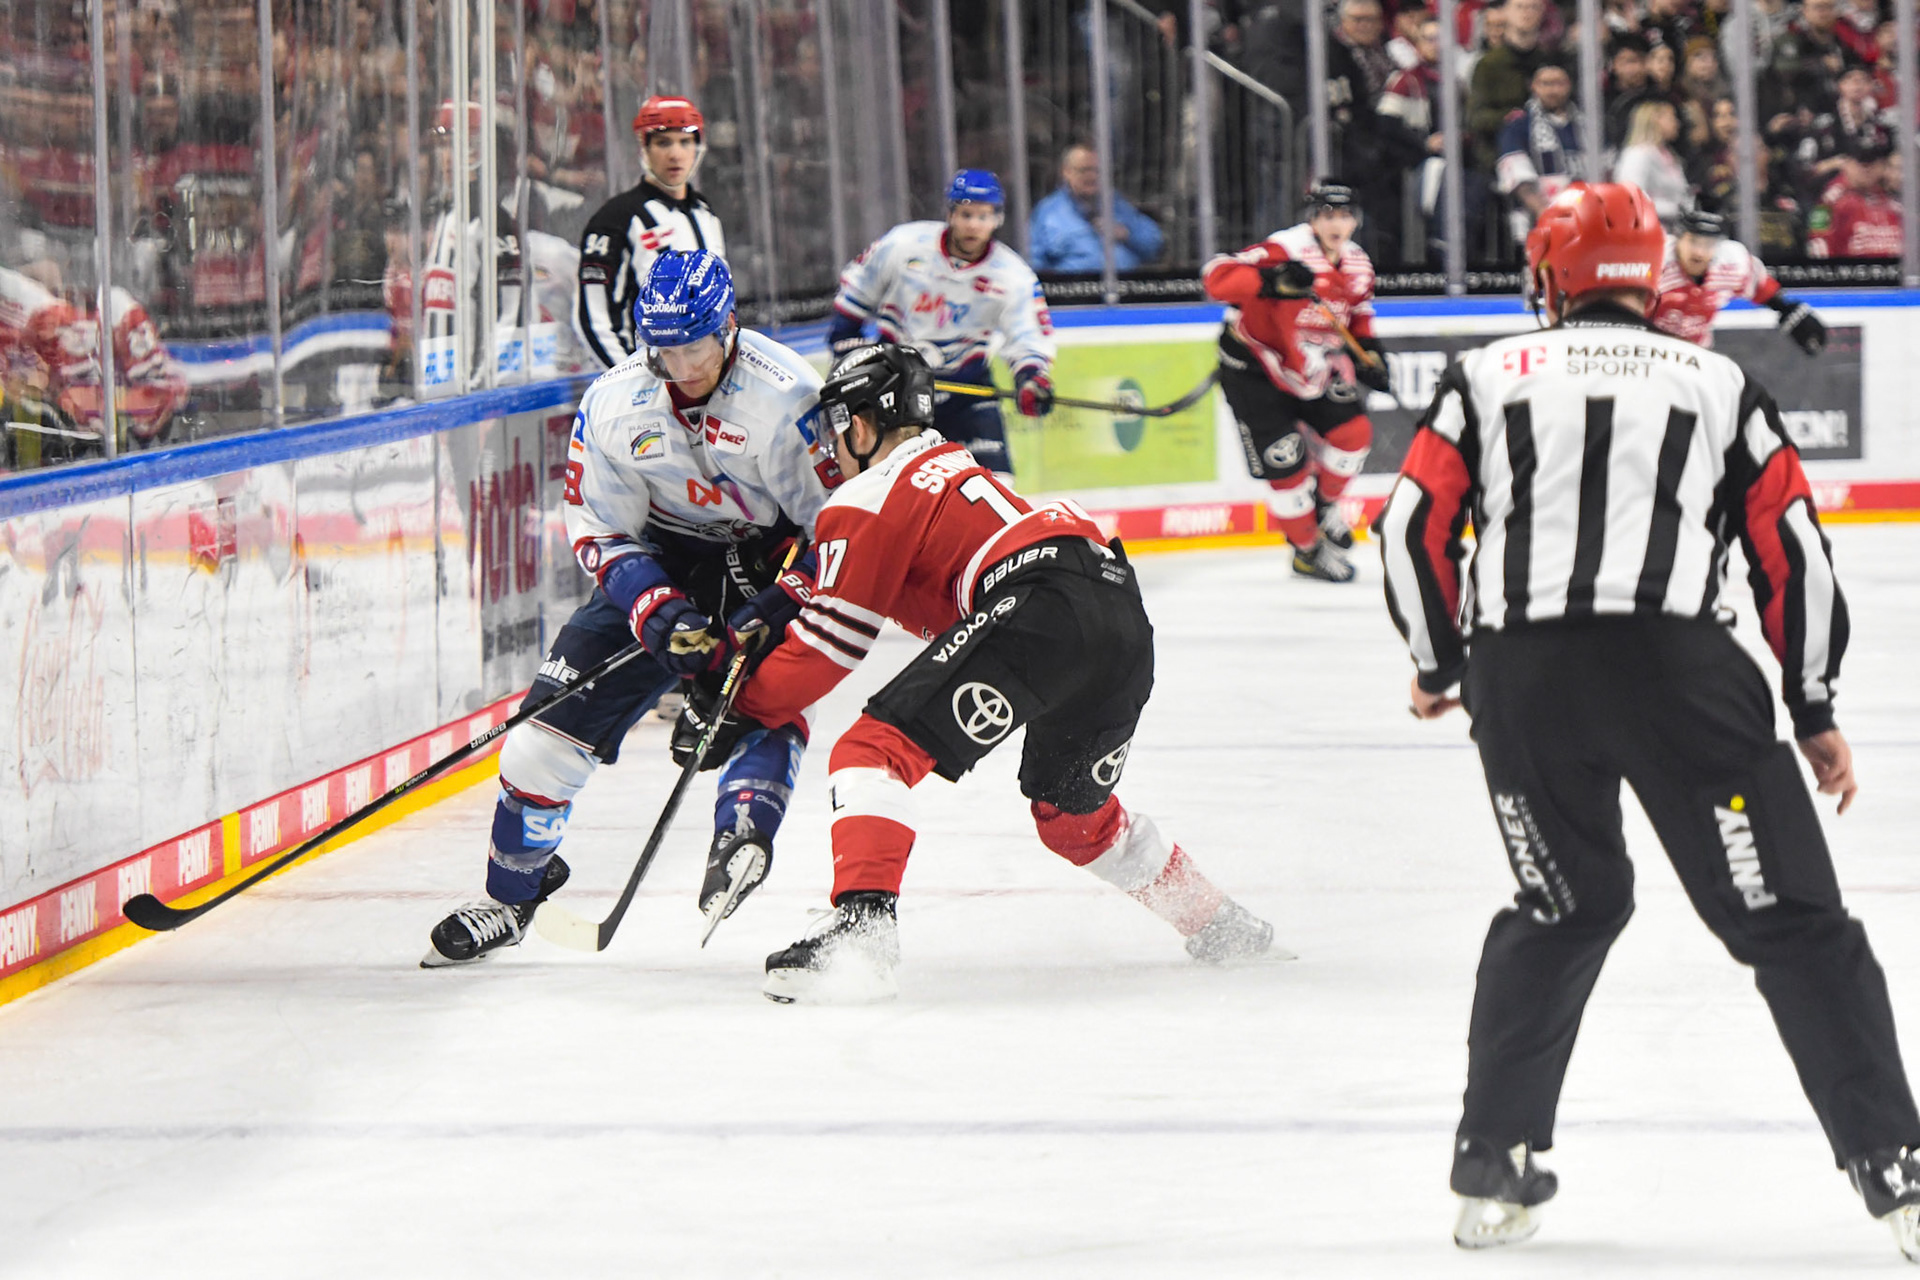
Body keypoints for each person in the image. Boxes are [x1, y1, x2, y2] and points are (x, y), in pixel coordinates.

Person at [1375, 182, 1920, 1261]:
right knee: (1790, 920)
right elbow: (1794, 555)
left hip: (1525, 680)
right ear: (1649, 277)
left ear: (1549, 276)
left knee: (1563, 904)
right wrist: (1812, 702)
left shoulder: (1484, 374)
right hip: (1681, 678)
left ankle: (1493, 1163)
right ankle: (1897, 1168)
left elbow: (1409, 527)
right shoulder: (1717, 381)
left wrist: (1441, 661)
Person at [697, 343, 1276, 1003]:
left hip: (1042, 604)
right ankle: (1220, 924)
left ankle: (862, 937)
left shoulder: (869, 494)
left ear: (860, 425)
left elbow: (829, 645)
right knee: (1072, 817)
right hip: (1118, 607)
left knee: (871, 753)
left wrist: (737, 710)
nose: (831, 446)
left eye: (837, 427)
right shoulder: (949, 465)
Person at [423, 250, 835, 967]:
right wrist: (655, 607)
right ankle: (510, 898)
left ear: (728, 328)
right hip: (661, 561)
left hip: (764, 567)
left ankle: (743, 831)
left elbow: (835, 527)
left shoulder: (789, 397)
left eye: (696, 347)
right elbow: (598, 527)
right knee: (537, 741)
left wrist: (774, 605)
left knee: (757, 701)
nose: (681, 366)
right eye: (665, 350)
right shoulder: (615, 402)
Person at [1201, 181, 1388, 583]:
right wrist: (1270, 281)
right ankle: (1306, 551)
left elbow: (1357, 314)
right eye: (1326, 215)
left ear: (1356, 221)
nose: (1335, 224)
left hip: (1309, 368)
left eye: (1344, 215)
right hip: (1253, 371)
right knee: (1287, 467)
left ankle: (1323, 507)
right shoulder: (1285, 249)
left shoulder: (1357, 263)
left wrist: (1370, 353)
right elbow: (1215, 278)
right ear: (1312, 219)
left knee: (1354, 434)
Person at [827, 170, 1055, 478]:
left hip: (967, 393)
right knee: (885, 484)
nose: (973, 225)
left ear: (998, 219)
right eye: (966, 214)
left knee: (998, 485)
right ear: (950, 214)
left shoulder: (1012, 275)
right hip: (897, 389)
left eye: (984, 216)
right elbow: (857, 292)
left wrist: (1030, 381)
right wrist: (845, 339)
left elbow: (1028, 338)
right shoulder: (903, 245)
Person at [573, 95, 726, 371]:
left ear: (697, 147)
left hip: (709, 377)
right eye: (663, 142)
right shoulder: (615, 219)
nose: (675, 154)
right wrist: (634, 382)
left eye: (685, 142)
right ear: (644, 147)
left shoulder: (706, 212)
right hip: (652, 380)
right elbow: (594, 322)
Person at [1651, 208, 1828, 353]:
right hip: (1647, 355)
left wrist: (1787, 309)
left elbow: (1762, 288)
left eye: (1708, 244)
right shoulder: (1655, 262)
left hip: (1698, 357)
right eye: (1693, 241)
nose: (1699, 252)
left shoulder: (1731, 264)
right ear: (1678, 238)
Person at [1028, 142, 1166, 274]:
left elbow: (1154, 243)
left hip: (1125, 285)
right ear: (1066, 172)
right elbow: (1033, 263)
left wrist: (1126, 234)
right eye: (1084, 170)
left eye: (1098, 171)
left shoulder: (1117, 204)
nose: (1092, 176)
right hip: (1076, 288)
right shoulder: (1048, 212)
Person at [1496, 61, 1593, 240]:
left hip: (1589, 214)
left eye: (1559, 83)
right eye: (1546, 84)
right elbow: (1518, 177)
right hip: (1541, 217)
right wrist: (1545, 213)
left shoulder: (1588, 125)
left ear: (1569, 85)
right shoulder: (1519, 126)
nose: (1553, 90)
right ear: (1534, 86)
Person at [1611, 99, 1693, 226]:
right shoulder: (1637, 154)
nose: (1677, 124)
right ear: (1655, 120)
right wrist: (1676, 209)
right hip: (1648, 228)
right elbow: (1632, 199)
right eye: (1671, 118)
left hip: (1673, 226)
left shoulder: (1667, 154)